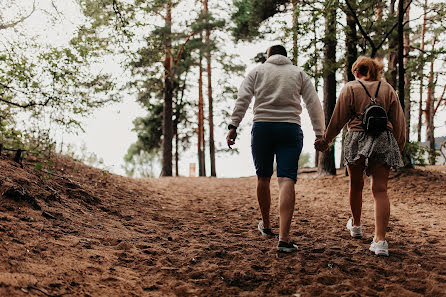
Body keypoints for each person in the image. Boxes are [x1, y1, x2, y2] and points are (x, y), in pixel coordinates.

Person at [226, 45, 325, 253]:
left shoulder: (257, 71)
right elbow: (313, 103)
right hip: (290, 128)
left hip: (262, 128)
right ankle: (284, 238)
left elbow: (242, 99)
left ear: (268, 56)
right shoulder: (299, 73)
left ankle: (267, 225)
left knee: (263, 177)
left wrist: (233, 126)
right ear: (286, 57)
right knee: (286, 179)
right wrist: (319, 133)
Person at [314, 56, 405, 256]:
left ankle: (356, 226)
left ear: (356, 72)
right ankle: (380, 241)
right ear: (374, 71)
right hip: (383, 138)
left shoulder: (350, 88)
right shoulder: (387, 88)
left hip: (355, 137)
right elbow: (398, 120)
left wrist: (326, 140)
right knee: (380, 190)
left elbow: (338, 119)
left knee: (356, 184)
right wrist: (398, 145)